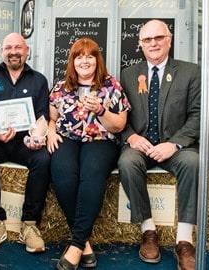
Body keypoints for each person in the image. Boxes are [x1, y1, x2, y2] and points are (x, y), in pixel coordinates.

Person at [118, 19, 200, 270]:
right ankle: (148, 231)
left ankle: (184, 240)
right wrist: (131, 136)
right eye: (147, 40)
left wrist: (174, 144)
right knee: (126, 162)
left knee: (193, 162)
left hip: (175, 147)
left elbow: (197, 115)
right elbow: (122, 116)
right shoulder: (128, 74)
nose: (153, 43)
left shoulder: (190, 72)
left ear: (169, 39)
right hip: (141, 145)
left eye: (158, 38)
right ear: (140, 44)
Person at [47, 38, 131, 270]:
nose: (84, 61)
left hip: (101, 140)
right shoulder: (60, 87)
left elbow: (119, 125)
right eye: (79, 56)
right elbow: (51, 118)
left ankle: (76, 244)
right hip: (68, 138)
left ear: (97, 60)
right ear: (73, 61)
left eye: (89, 56)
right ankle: (85, 243)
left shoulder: (111, 86)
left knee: (91, 175)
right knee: (63, 175)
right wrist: (51, 133)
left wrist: (101, 110)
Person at [0, 32, 51, 254]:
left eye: (18, 47)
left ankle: (30, 225)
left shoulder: (39, 80)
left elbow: (43, 117)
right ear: (2, 51)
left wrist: (36, 137)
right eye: (8, 48)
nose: (13, 52)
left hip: (25, 141)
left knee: (43, 160)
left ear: (27, 51)